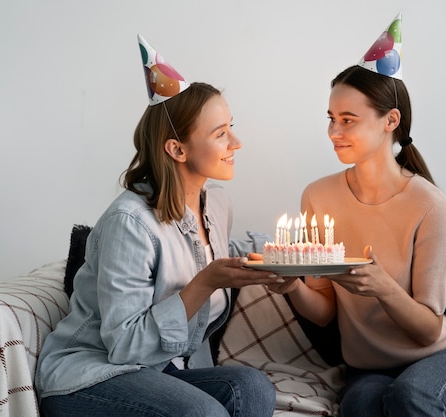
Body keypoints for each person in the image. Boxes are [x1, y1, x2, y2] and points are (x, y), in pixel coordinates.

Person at [35, 35, 277, 417]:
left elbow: (233, 262)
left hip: (161, 371)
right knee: (203, 413)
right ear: (177, 149)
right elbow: (125, 346)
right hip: (92, 376)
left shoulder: (216, 204)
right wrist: (206, 282)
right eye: (220, 134)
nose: (237, 142)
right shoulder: (129, 222)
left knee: (252, 387)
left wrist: (279, 268)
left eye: (231, 127)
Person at [267, 15, 446, 417]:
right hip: (366, 369)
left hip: (440, 358)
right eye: (331, 118)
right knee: (363, 407)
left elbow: (428, 330)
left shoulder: (430, 205)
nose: (334, 131)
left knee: (410, 399)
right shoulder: (317, 196)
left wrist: (382, 286)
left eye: (348, 120)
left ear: (390, 121)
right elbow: (326, 308)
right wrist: (292, 287)